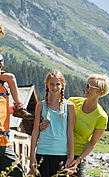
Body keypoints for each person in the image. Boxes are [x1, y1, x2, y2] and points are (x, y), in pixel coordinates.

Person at [40, 74, 109, 177]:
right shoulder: (73, 102)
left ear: (99, 91)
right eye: (86, 85)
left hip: (78, 156)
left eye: (89, 86)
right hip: (59, 150)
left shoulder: (101, 117)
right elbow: (55, 116)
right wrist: (41, 124)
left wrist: (78, 161)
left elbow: (92, 143)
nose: (85, 88)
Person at [29, 69, 75, 177]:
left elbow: (70, 131)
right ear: (47, 85)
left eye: (58, 84)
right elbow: (35, 131)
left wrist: (71, 156)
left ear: (62, 85)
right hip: (42, 151)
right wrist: (32, 156)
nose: (55, 87)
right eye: (52, 84)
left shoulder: (69, 106)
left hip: (61, 153)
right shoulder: (40, 105)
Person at [0, 24, 32, 177]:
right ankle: (19, 106)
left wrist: (13, 110)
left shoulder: (4, 86)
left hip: (4, 140)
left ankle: (18, 107)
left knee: (18, 173)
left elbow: (4, 110)